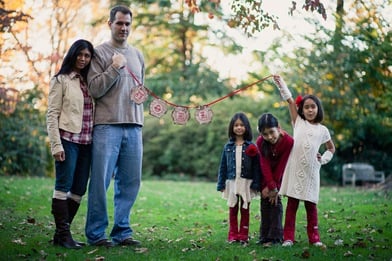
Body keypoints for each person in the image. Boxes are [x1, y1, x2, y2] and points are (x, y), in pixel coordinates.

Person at [85, 5, 145, 247]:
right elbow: (94, 88)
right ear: (109, 24)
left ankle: (122, 231)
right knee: (100, 182)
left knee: (131, 182)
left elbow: (140, 89)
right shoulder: (99, 53)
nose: (124, 28)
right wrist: (114, 67)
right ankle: (96, 234)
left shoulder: (138, 55)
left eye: (128, 24)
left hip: (134, 126)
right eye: (119, 23)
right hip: (107, 126)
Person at [273, 75, 336, 247]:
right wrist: (281, 83)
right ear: (302, 110)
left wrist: (323, 159)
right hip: (295, 169)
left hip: (311, 172)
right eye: (306, 107)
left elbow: (331, 148)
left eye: (313, 107)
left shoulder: (323, 130)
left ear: (318, 109)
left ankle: (314, 238)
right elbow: (290, 101)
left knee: (311, 207)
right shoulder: (298, 122)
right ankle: (288, 238)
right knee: (292, 206)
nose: (309, 110)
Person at [46, 39, 94, 249]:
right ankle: (64, 235)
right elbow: (52, 114)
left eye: (87, 56)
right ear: (73, 55)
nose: (83, 59)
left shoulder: (89, 81)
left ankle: (61, 235)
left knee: (79, 189)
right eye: (80, 54)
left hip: (87, 143)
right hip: (68, 140)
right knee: (63, 187)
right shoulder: (61, 80)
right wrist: (56, 145)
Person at [217, 112, 261, 244]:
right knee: (233, 207)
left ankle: (243, 235)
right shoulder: (228, 147)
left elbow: (256, 167)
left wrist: (256, 184)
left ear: (246, 127)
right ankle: (233, 234)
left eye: (242, 125)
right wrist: (221, 184)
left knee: (245, 208)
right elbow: (223, 166)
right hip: (232, 181)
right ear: (232, 128)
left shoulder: (251, 146)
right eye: (236, 125)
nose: (239, 127)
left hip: (246, 182)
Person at [255, 113, 293, 247]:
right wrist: (267, 186)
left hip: (280, 176)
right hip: (265, 177)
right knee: (265, 203)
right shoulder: (260, 142)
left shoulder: (288, 142)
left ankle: (276, 236)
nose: (270, 137)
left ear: (278, 128)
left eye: (272, 132)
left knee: (276, 203)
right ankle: (264, 236)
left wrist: (274, 188)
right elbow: (264, 164)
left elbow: (282, 165)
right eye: (265, 134)